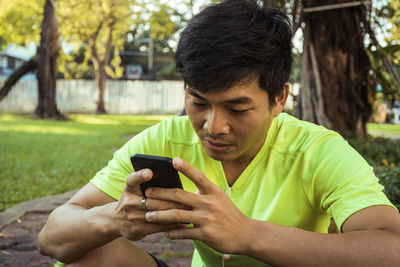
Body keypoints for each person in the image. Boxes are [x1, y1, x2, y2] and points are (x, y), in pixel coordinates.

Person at [37, 0, 400, 266]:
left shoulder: (316, 152)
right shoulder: (168, 138)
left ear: (279, 99)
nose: (213, 127)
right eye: (198, 102)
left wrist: (248, 234)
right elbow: (51, 236)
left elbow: (391, 246)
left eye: (237, 108)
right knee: (88, 253)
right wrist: (112, 219)